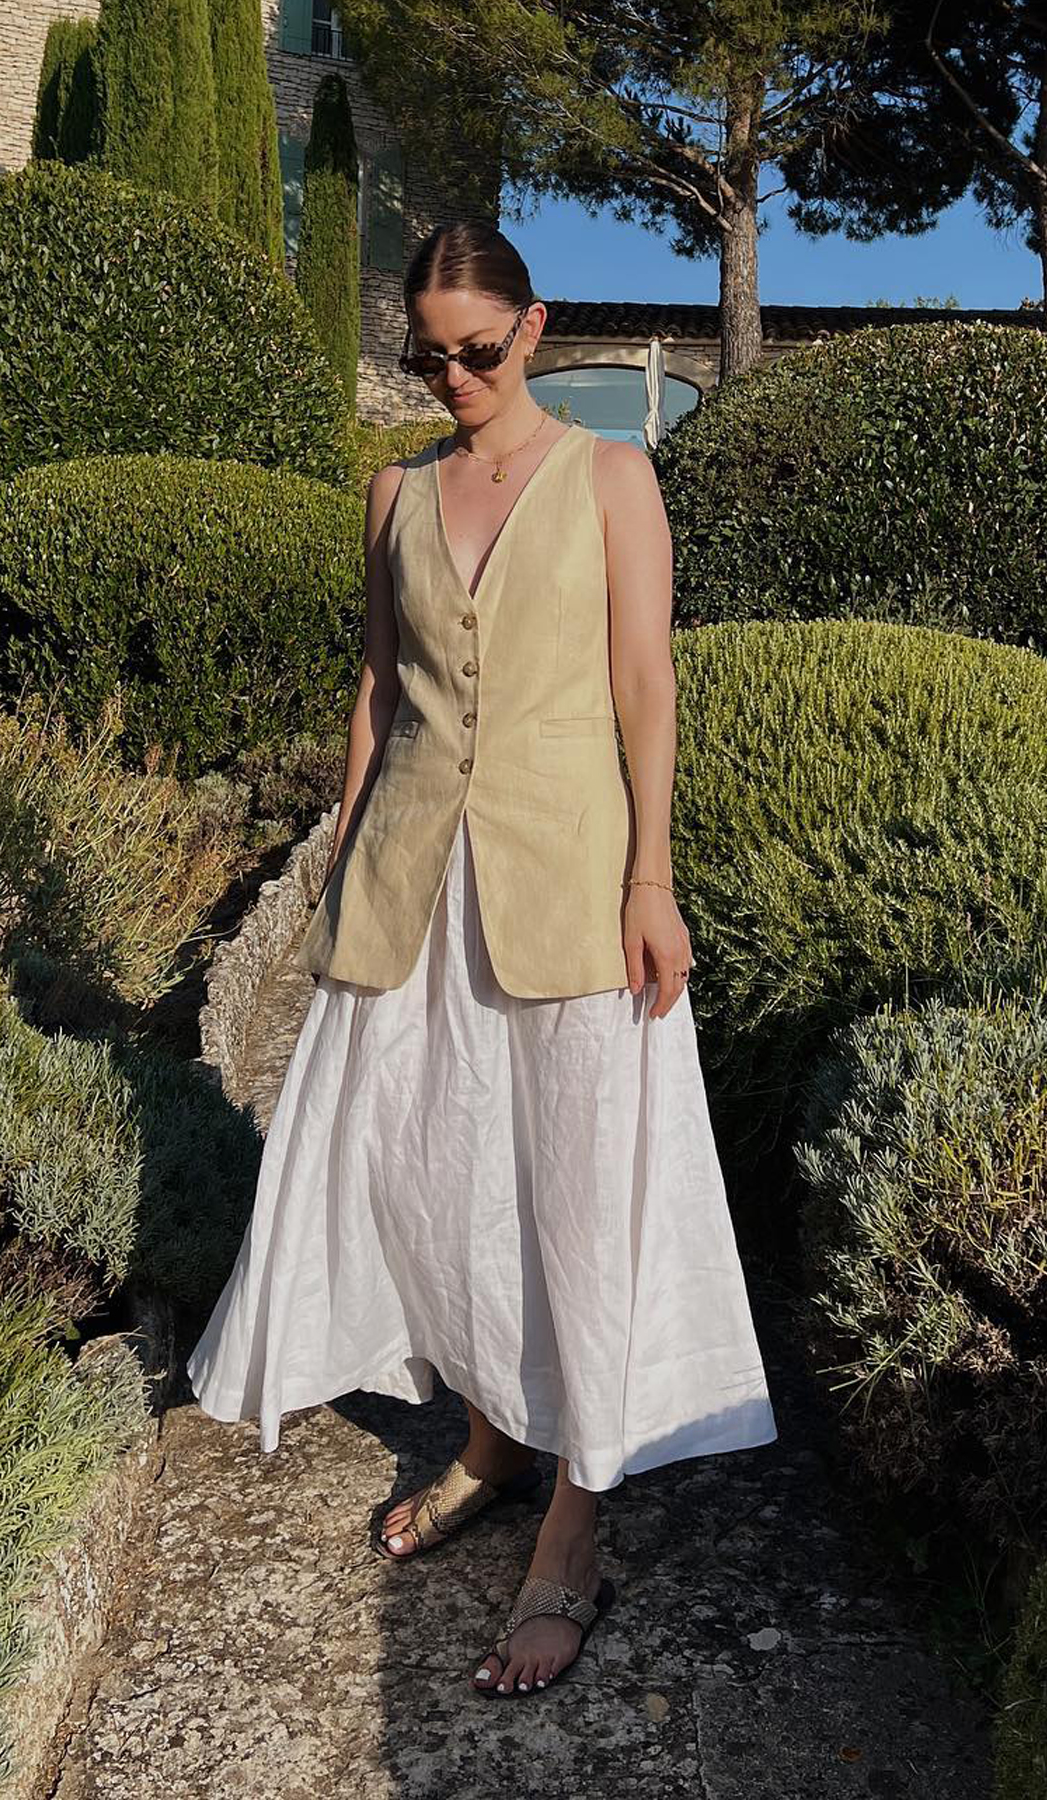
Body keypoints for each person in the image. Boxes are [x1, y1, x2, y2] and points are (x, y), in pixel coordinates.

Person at [186, 219, 777, 1700]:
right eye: (427, 356)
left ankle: (574, 1513)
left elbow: (645, 682)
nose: (453, 376)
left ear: (534, 325)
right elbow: (381, 687)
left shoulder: (612, 476)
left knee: (571, 1185)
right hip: (413, 884)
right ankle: (491, 1434)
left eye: (478, 348)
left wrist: (653, 878)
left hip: (570, 878)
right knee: (434, 1171)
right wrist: (345, 851)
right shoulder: (392, 490)